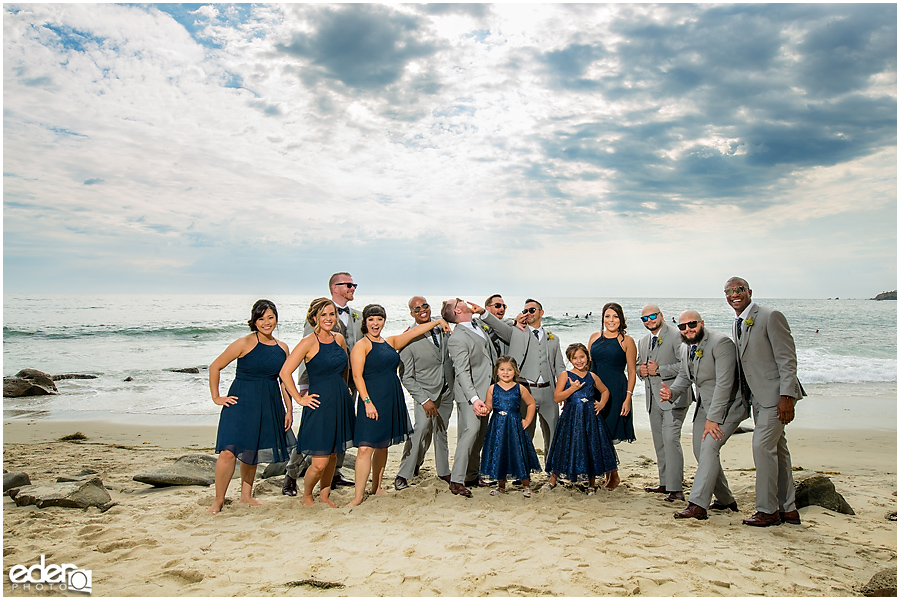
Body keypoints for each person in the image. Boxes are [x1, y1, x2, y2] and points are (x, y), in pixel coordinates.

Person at [348, 305, 450, 506]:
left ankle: (376, 487)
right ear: (365, 322)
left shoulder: (390, 342)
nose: (375, 324)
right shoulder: (362, 345)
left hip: (391, 398)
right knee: (365, 448)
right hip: (372, 399)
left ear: (384, 321)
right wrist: (367, 402)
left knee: (383, 445)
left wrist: (438, 321)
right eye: (371, 320)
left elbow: (414, 332)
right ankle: (358, 495)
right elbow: (357, 376)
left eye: (379, 319)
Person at [725, 277, 805, 527]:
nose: (734, 294)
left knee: (761, 447)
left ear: (749, 292)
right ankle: (788, 509)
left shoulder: (771, 316)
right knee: (778, 451)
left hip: (775, 397)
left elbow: (787, 359)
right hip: (757, 398)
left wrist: (787, 396)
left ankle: (767, 510)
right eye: (728, 291)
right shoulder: (737, 322)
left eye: (739, 290)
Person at [207, 300, 296, 514]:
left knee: (252, 452)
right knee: (229, 452)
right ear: (254, 321)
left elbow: (284, 380)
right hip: (241, 402)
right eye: (261, 318)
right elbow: (215, 366)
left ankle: (246, 496)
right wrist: (217, 397)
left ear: (276, 318)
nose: (266, 322)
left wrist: (289, 409)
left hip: (268, 403)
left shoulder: (282, 347)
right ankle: (218, 500)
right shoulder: (244, 343)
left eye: (270, 317)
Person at [661, 311, 749, 520]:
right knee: (701, 452)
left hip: (728, 406)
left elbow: (725, 384)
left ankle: (698, 504)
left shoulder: (721, 344)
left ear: (701, 323)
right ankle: (727, 500)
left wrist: (714, 419)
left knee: (710, 447)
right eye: (682, 326)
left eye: (692, 324)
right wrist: (672, 392)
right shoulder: (685, 348)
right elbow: (685, 376)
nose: (687, 329)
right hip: (703, 406)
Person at [282, 272, 361, 495]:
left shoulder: (357, 316)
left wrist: (349, 385)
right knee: (313, 437)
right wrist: (302, 392)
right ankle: (292, 473)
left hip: (344, 386)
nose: (353, 288)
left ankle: (334, 474)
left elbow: (354, 350)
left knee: (338, 438)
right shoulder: (315, 327)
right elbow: (304, 360)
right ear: (335, 287)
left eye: (354, 284)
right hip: (318, 387)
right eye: (349, 284)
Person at [482, 299, 565, 456]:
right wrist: (483, 312)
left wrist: (563, 392)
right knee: (524, 433)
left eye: (532, 310)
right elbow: (497, 325)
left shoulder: (553, 338)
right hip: (525, 390)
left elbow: (560, 367)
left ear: (541, 313)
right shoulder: (515, 332)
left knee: (553, 433)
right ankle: (522, 472)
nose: (528, 313)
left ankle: (553, 472)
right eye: (525, 310)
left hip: (549, 391)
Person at [394, 296, 455, 490]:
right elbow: (406, 376)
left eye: (425, 306)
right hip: (426, 394)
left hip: (446, 391)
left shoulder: (441, 327)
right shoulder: (408, 338)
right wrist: (424, 399)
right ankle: (403, 474)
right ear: (411, 313)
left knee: (441, 431)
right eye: (417, 308)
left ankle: (444, 471)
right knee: (420, 430)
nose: (422, 310)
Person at [441, 298, 498, 498]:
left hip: (487, 390)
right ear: (457, 310)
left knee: (480, 435)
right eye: (459, 301)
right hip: (470, 394)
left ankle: (472, 475)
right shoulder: (457, 338)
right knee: (470, 432)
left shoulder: (476, 326)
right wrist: (474, 399)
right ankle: (457, 480)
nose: (464, 300)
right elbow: (462, 372)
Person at [545, 343, 619, 494]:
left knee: (591, 447)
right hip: (571, 417)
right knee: (564, 446)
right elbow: (556, 397)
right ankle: (553, 479)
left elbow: (605, 391)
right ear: (570, 360)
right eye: (575, 358)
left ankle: (591, 483)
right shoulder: (565, 375)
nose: (579, 361)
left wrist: (601, 403)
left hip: (590, 418)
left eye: (582, 357)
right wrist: (572, 389)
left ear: (587, 357)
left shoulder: (592, 376)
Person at [636, 305, 691, 502]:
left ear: (661, 316)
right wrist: (639, 371)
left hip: (674, 398)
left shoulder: (677, 335)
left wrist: (661, 370)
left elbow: (686, 365)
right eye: (644, 318)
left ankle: (676, 489)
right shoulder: (643, 341)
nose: (649, 320)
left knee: (670, 440)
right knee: (659, 442)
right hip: (653, 399)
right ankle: (665, 483)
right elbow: (638, 365)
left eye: (652, 316)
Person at [479, 356, 541, 497]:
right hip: (498, 425)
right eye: (502, 369)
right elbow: (489, 405)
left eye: (509, 369)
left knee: (518, 452)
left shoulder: (520, 388)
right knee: (500, 452)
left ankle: (526, 485)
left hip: (514, 425)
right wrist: (485, 409)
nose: (505, 372)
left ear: (515, 371)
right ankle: (501, 485)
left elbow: (531, 404)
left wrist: (527, 420)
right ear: (496, 371)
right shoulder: (492, 388)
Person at [588, 302, 637, 443]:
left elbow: (632, 372)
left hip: (616, 393)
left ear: (621, 319)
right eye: (607, 316)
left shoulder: (627, 341)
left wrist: (628, 399)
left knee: (609, 438)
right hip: (594, 392)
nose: (611, 320)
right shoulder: (594, 337)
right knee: (593, 437)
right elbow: (587, 366)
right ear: (603, 318)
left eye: (615, 316)